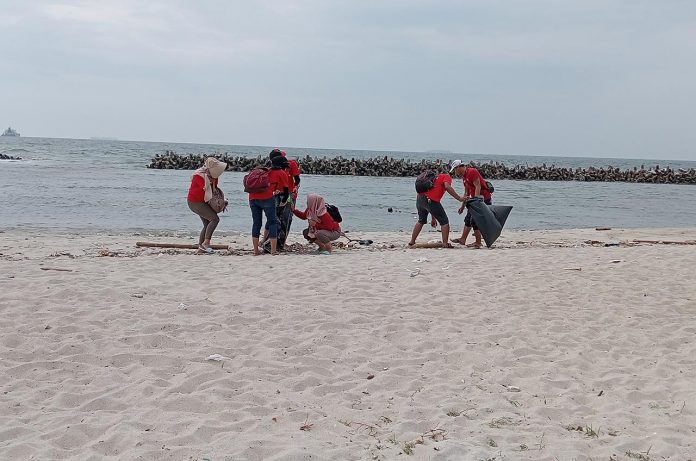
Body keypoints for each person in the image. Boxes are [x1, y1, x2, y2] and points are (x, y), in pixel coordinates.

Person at [409, 169, 463, 247]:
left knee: (421, 221)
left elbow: (431, 195)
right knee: (444, 221)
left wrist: (433, 218)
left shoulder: (433, 178)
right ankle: (445, 243)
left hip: (420, 199)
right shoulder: (446, 176)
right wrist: (459, 198)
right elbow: (447, 186)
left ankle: (412, 242)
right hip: (430, 200)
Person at [249, 155, 290, 255]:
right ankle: (273, 250)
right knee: (272, 222)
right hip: (267, 198)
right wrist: (284, 201)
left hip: (252, 197)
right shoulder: (281, 173)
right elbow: (286, 191)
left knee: (256, 223)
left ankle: (255, 251)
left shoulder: (262, 171)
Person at [187, 157, 227, 254]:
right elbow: (206, 188)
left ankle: (201, 247)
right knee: (214, 219)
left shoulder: (213, 176)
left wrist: (222, 201)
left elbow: (214, 190)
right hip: (195, 202)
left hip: (204, 201)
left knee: (207, 224)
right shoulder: (199, 175)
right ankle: (206, 243)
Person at [450, 160, 492, 248]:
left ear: (459, 167)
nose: (455, 172)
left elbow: (478, 186)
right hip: (474, 200)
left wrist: (476, 202)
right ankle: (462, 239)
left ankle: (478, 242)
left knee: (475, 220)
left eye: (455, 169)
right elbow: (466, 192)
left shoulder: (472, 171)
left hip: (483, 199)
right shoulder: (464, 177)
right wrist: (462, 206)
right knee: (468, 219)